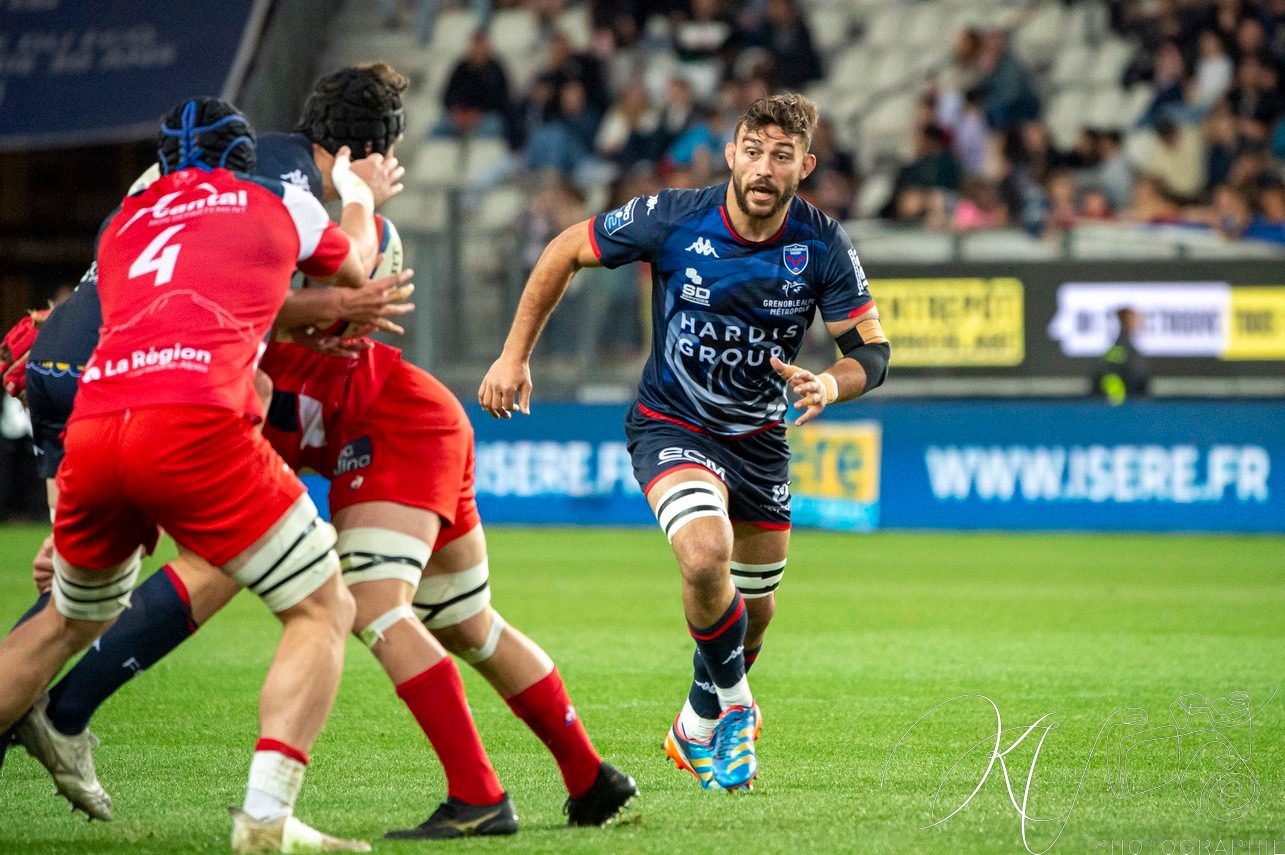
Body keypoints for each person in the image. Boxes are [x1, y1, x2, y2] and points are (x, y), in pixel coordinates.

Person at [478, 93, 890, 792]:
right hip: (672, 424)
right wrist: (513, 355)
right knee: (704, 555)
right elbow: (565, 248)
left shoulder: (821, 242)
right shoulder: (673, 217)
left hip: (760, 441)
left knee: (755, 611)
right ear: (730, 155)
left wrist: (828, 383)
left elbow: (871, 354)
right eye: (752, 151)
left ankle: (696, 720)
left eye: (781, 156)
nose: (763, 168)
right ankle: (738, 710)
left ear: (805, 166)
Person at [0, 97, 377, 853]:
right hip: (194, 419)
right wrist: (360, 196)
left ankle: (59, 713)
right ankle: (264, 820)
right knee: (323, 606)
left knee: (65, 620)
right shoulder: (275, 198)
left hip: (95, 426)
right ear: (243, 156)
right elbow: (356, 269)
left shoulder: (124, 224)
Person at [1091, 306, 1150, 405]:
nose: (1139, 322)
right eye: (1134, 318)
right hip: (1126, 406)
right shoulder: (1126, 351)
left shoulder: (1124, 349)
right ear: (1127, 321)